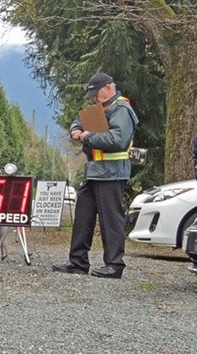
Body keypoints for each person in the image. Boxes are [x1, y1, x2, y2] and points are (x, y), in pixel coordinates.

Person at [52, 72, 138, 279]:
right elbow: (78, 120)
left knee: (111, 220)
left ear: (108, 88)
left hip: (113, 173)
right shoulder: (100, 108)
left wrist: (88, 136)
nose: (94, 98)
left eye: (96, 93)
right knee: (83, 217)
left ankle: (115, 265)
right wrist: (76, 130)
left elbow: (118, 140)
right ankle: (78, 262)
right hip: (94, 172)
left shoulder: (122, 109)